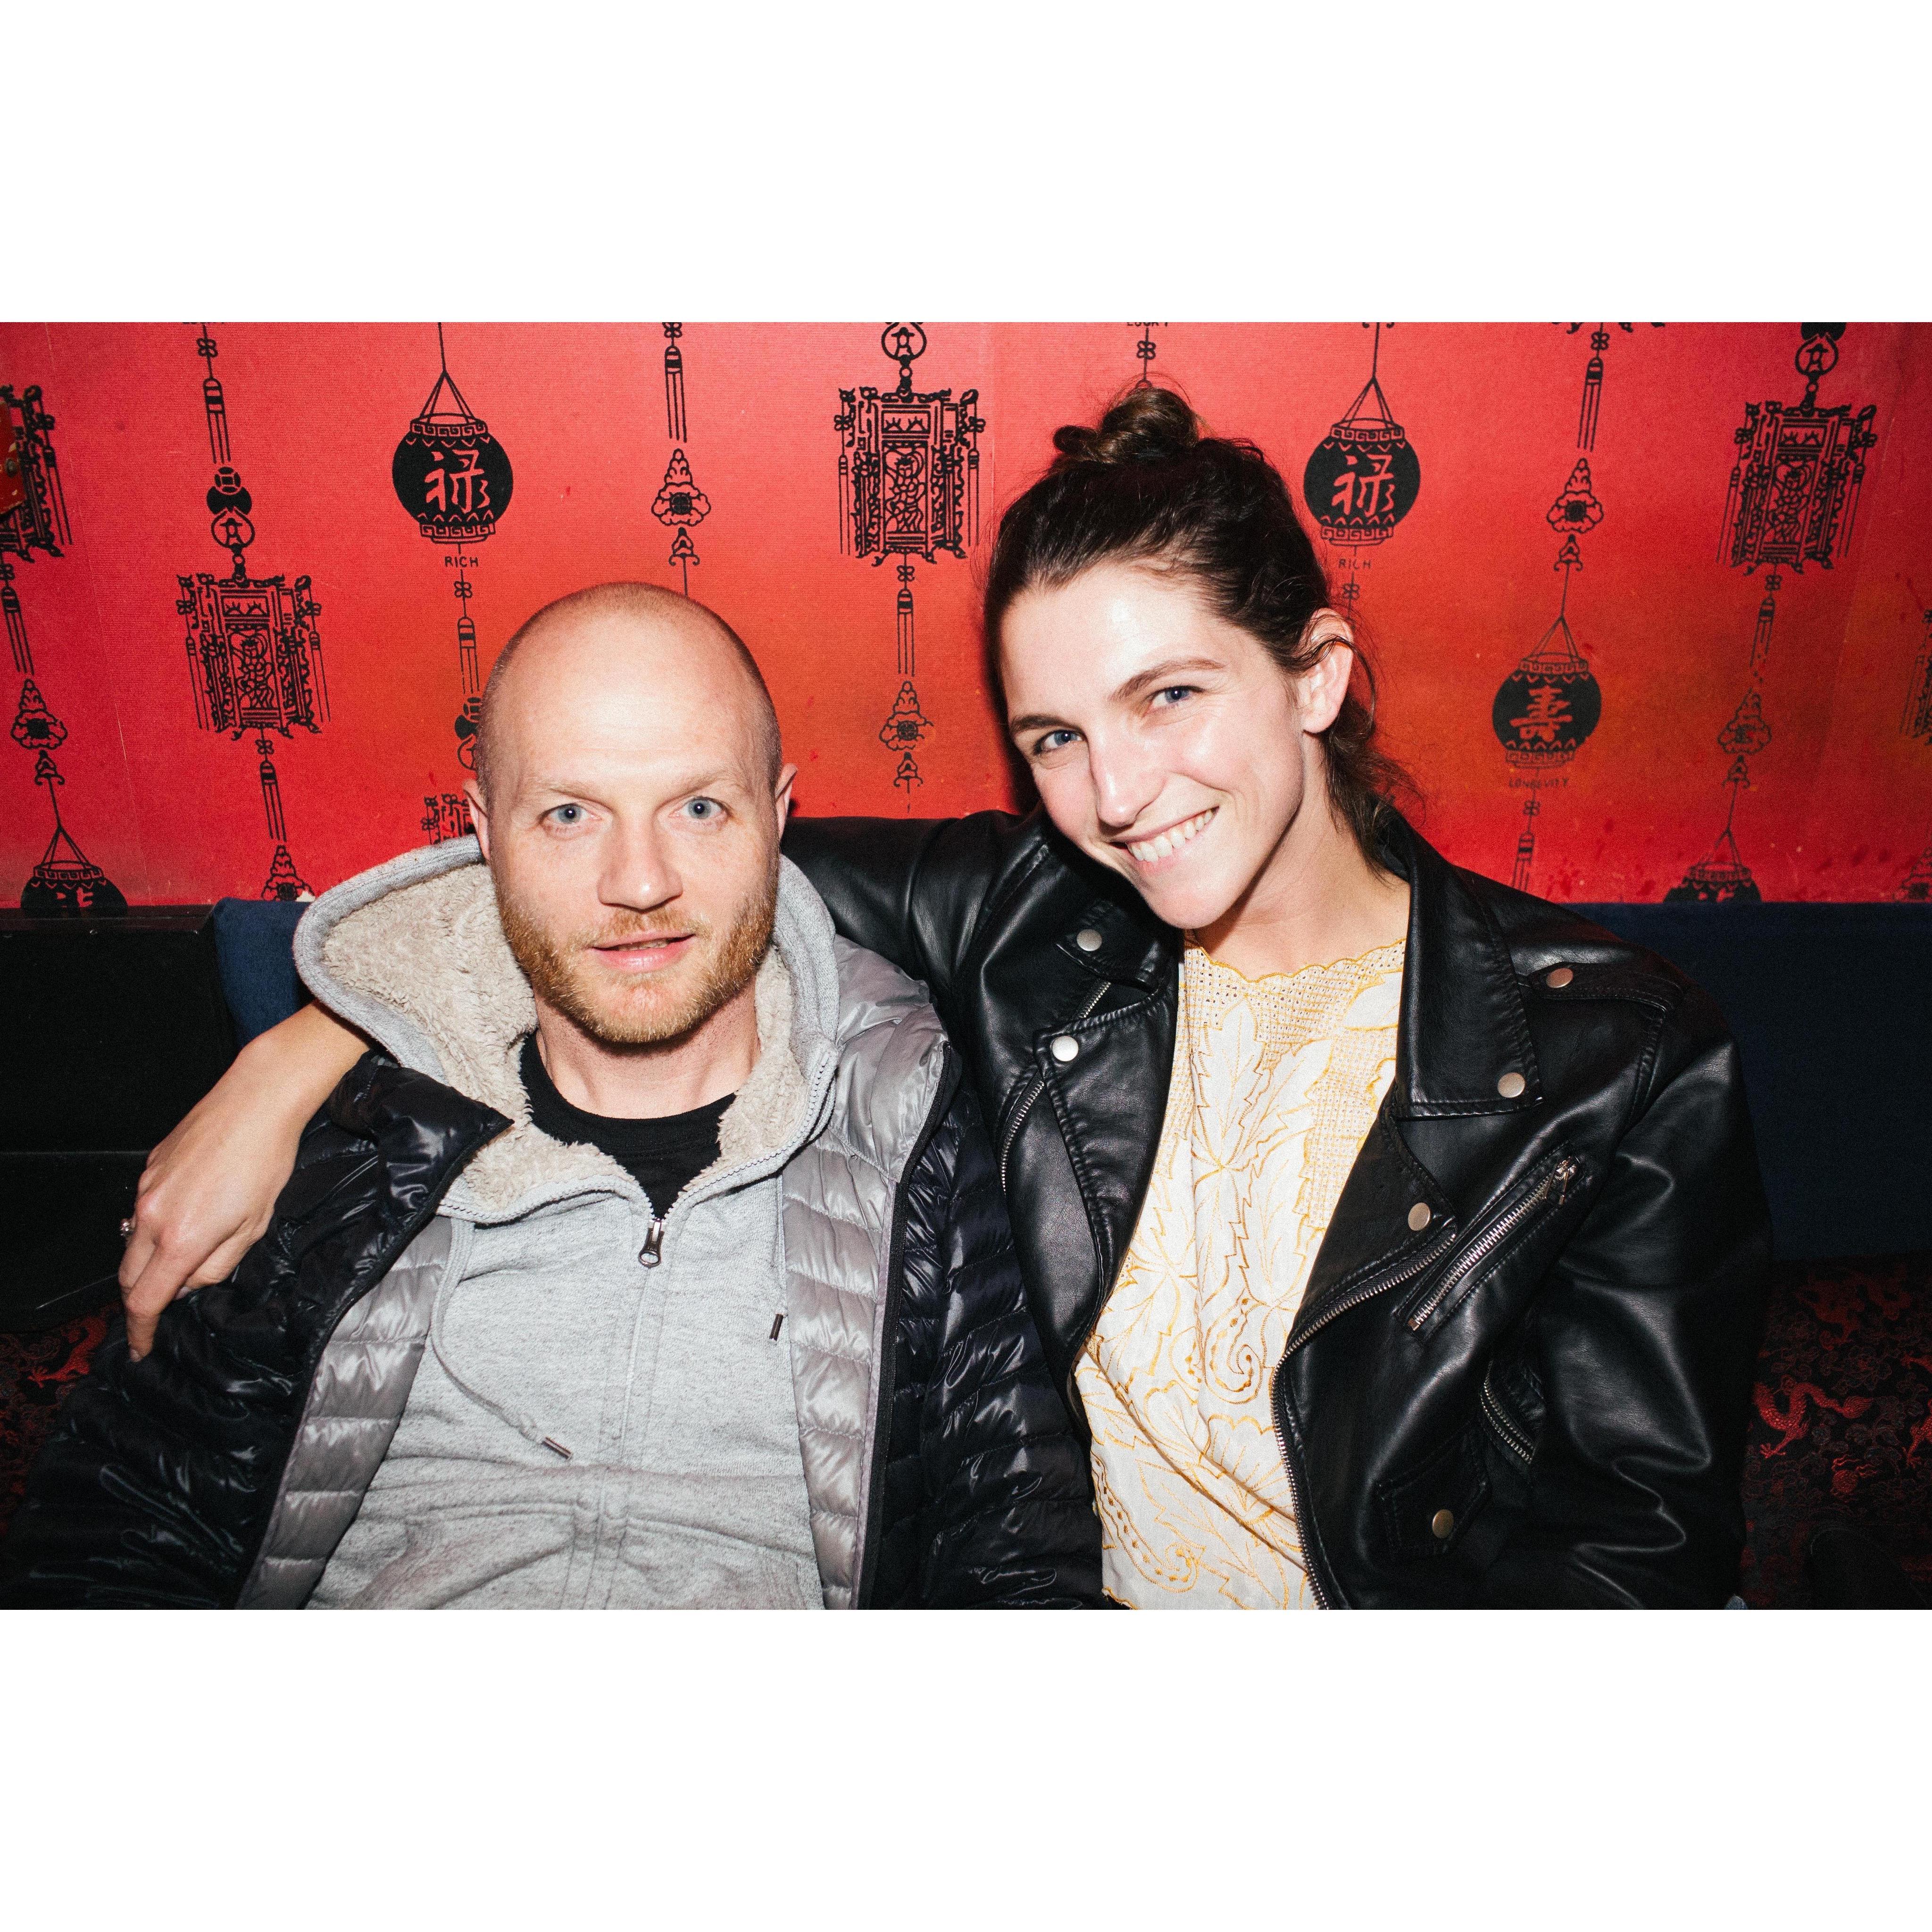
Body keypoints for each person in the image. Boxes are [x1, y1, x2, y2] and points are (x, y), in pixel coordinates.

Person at [90, 389, 1772, 1608]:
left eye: (1169, 696)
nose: (1119, 793)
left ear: (1316, 675)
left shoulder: (1606, 1052)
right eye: (1054, 737)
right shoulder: (1037, 922)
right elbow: (646, 870)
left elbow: (1634, 1554)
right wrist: (308, 1044)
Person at [0, 585, 1099, 1609]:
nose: (639, 881)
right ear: (483, 832)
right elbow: (123, 1524)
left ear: (777, 815)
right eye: (570, 814)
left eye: (699, 807)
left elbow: (1013, 1539)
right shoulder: (353, 1133)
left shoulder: (906, 1116)